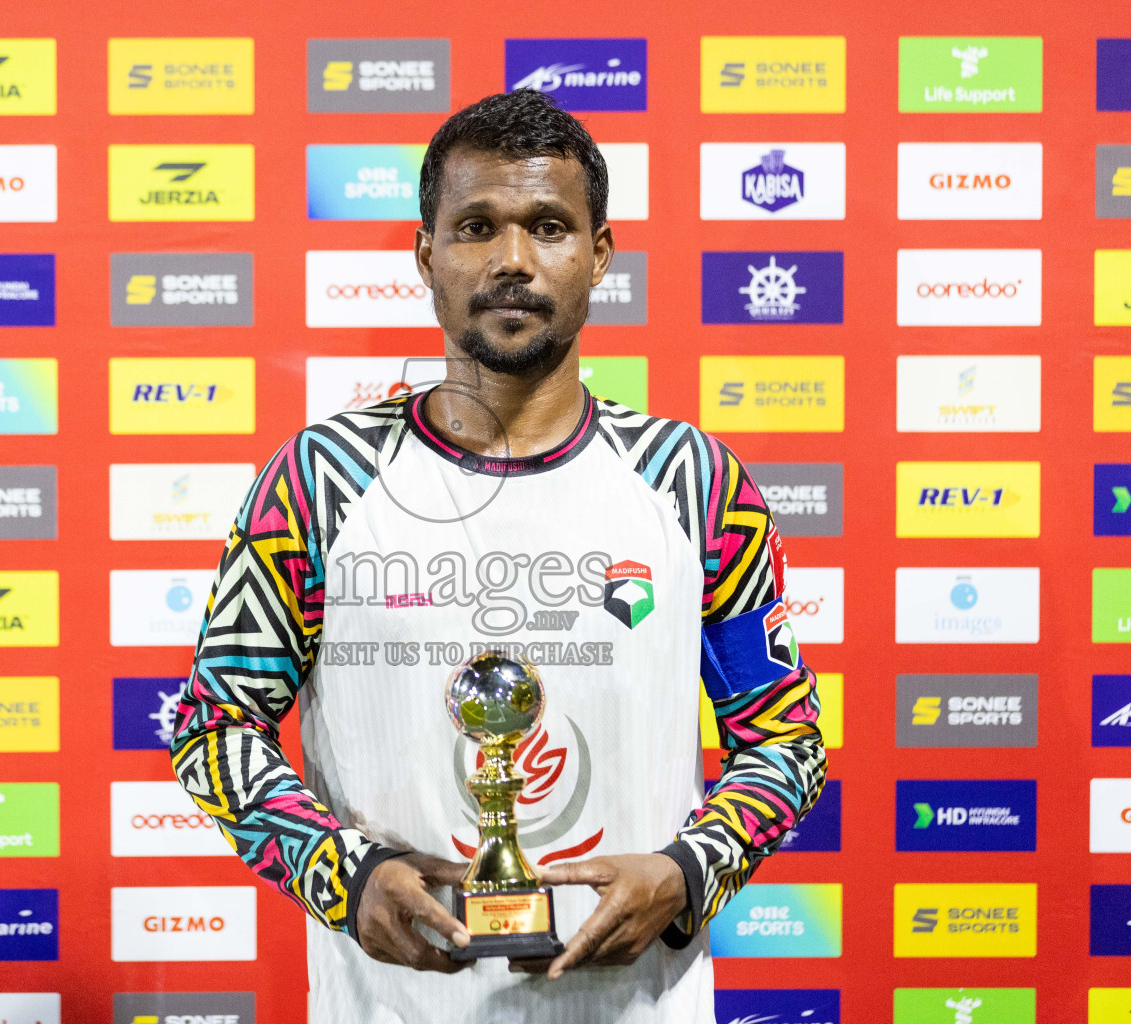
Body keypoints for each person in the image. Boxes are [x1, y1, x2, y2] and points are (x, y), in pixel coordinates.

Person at [170, 89, 827, 1024]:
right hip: (390, 1007)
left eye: (549, 227)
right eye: (477, 226)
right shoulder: (321, 480)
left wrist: (688, 872)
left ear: (599, 254)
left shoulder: (692, 481)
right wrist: (343, 876)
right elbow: (215, 725)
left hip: (635, 1006)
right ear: (426, 253)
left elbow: (786, 740)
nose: (513, 261)